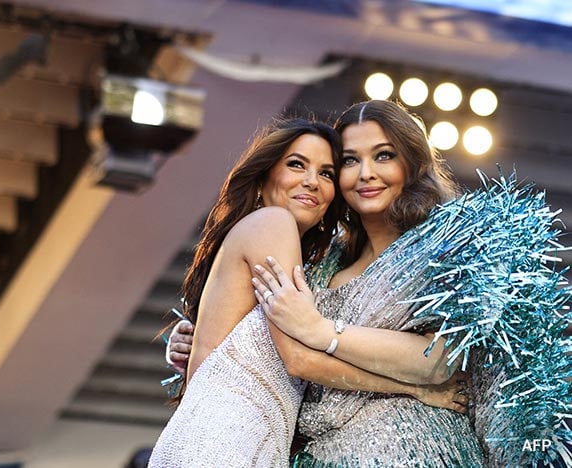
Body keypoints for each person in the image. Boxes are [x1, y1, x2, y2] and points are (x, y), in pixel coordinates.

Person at [252, 100, 570, 467]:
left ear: (412, 162)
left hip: (421, 451)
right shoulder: (318, 265)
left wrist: (322, 330)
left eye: (383, 156)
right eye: (350, 161)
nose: (366, 173)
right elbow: (284, 355)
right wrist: (199, 339)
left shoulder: (453, 246)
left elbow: (439, 361)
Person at [148, 116, 469, 468]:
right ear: (263, 175)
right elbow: (299, 359)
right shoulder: (273, 223)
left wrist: (189, 343)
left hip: (245, 439)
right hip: (223, 440)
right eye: (296, 165)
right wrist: (413, 389)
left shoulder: (306, 260)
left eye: (327, 172)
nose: (312, 182)